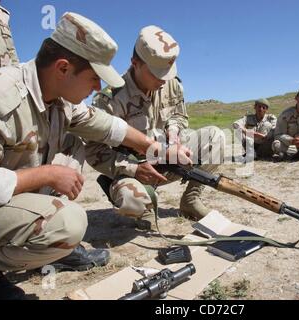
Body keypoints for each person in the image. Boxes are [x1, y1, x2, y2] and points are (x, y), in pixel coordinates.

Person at [0, 12, 191, 300]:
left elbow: (108, 126)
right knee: (68, 222)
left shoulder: (58, 98)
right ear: (63, 68)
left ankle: (44, 247)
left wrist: (159, 149)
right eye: (93, 78)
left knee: (73, 143)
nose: (98, 88)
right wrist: (47, 174)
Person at [86, 25, 224, 225]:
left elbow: (178, 115)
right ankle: (138, 201)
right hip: (135, 170)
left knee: (216, 136)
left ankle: (191, 200)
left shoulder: (171, 83)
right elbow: (93, 150)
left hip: (168, 158)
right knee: (134, 201)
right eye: (157, 73)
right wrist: (134, 169)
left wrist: (174, 137)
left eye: (167, 72)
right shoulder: (111, 100)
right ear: (135, 63)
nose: (163, 79)